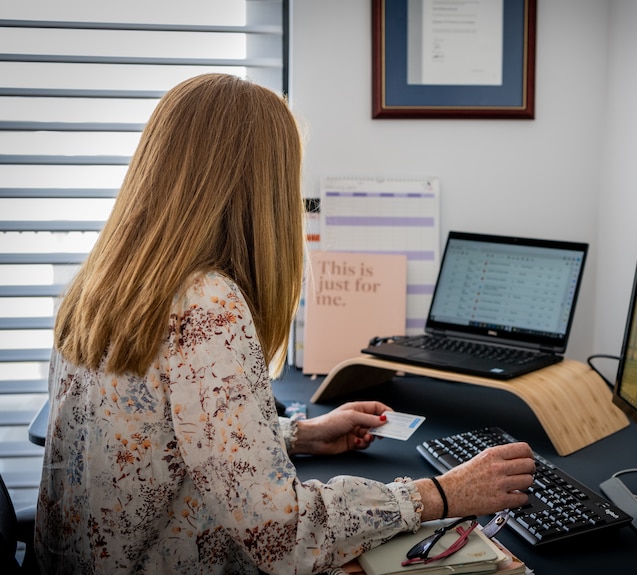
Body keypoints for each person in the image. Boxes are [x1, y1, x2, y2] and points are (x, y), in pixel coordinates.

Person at [34, 73, 536, 575]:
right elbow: (284, 538)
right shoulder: (206, 303)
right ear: (261, 188)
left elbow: (154, 434)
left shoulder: (101, 284)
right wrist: (440, 493)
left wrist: (299, 435)